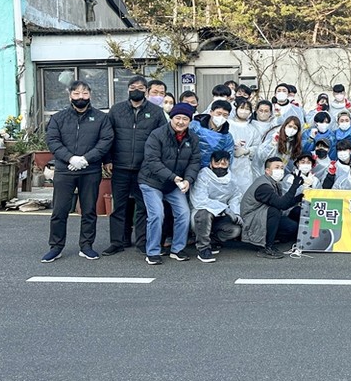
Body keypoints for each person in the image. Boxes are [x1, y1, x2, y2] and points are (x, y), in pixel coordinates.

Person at [41, 80, 115, 263]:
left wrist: (85, 159)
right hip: (64, 170)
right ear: (70, 96)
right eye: (76, 93)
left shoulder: (101, 118)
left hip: (90, 170)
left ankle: (86, 245)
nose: (80, 97)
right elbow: (53, 140)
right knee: (60, 210)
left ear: (90, 95)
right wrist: (70, 158)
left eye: (84, 93)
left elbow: (106, 140)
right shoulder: (58, 118)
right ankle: (56, 247)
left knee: (89, 210)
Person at [102, 74, 166, 256]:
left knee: (143, 207)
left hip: (144, 168)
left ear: (146, 90)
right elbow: (108, 137)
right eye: (132, 86)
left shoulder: (156, 112)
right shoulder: (116, 110)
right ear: (128, 89)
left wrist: (155, 165)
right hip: (119, 166)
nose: (136, 90)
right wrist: (107, 159)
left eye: (140, 87)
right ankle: (118, 241)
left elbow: (161, 140)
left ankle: (142, 242)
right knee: (119, 207)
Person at [137, 103, 202, 265]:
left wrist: (188, 180)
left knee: (184, 213)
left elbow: (195, 162)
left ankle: (177, 249)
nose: (181, 122)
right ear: (171, 118)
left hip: (175, 184)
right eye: (177, 118)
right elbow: (152, 161)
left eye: (185, 119)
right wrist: (174, 177)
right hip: (151, 182)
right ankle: (152, 251)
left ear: (190, 121)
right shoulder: (157, 134)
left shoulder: (192, 138)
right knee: (157, 214)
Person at [240, 156, 305, 258]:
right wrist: (294, 186)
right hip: (251, 220)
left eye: (282, 168)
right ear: (267, 171)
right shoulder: (263, 186)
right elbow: (281, 204)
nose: (280, 170)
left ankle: (269, 238)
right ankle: (266, 247)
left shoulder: (274, 184)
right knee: (274, 211)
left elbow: (285, 204)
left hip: (262, 216)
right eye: (277, 167)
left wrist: (300, 197)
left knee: (291, 226)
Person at [190, 150, 244, 263]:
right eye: (217, 163)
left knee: (235, 230)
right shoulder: (203, 175)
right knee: (205, 213)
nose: (220, 166)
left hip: (221, 216)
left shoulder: (232, 179)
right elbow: (200, 200)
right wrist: (225, 209)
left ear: (229, 164)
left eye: (224, 163)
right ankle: (203, 248)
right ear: (211, 163)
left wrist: (235, 213)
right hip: (200, 215)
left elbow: (235, 197)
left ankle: (212, 242)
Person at [226, 98, 260, 193]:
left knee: (244, 192)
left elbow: (257, 147)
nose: (244, 111)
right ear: (236, 109)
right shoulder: (227, 124)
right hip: (227, 163)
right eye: (241, 108)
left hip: (245, 166)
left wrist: (246, 151)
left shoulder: (252, 130)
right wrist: (231, 145)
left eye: (247, 109)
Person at [191, 100, 235, 167]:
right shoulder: (195, 126)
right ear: (211, 112)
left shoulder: (227, 138)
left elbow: (228, 158)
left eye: (225, 115)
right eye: (218, 113)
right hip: (190, 167)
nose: (221, 117)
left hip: (211, 172)